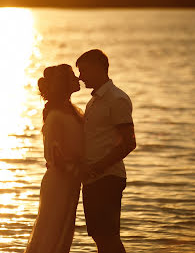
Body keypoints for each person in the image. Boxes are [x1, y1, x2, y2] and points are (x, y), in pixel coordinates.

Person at [76, 49, 136, 253]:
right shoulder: (93, 101)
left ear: (98, 68)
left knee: (108, 237)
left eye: (83, 71)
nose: (80, 76)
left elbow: (129, 143)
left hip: (107, 178)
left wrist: (97, 168)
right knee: (99, 237)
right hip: (93, 179)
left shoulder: (116, 99)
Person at [24, 64, 84, 253]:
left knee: (64, 232)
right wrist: (78, 171)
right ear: (64, 84)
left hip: (70, 181)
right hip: (59, 180)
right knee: (51, 231)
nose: (78, 79)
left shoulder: (73, 111)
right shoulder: (55, 115)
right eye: (72, 77)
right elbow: (54, 155)